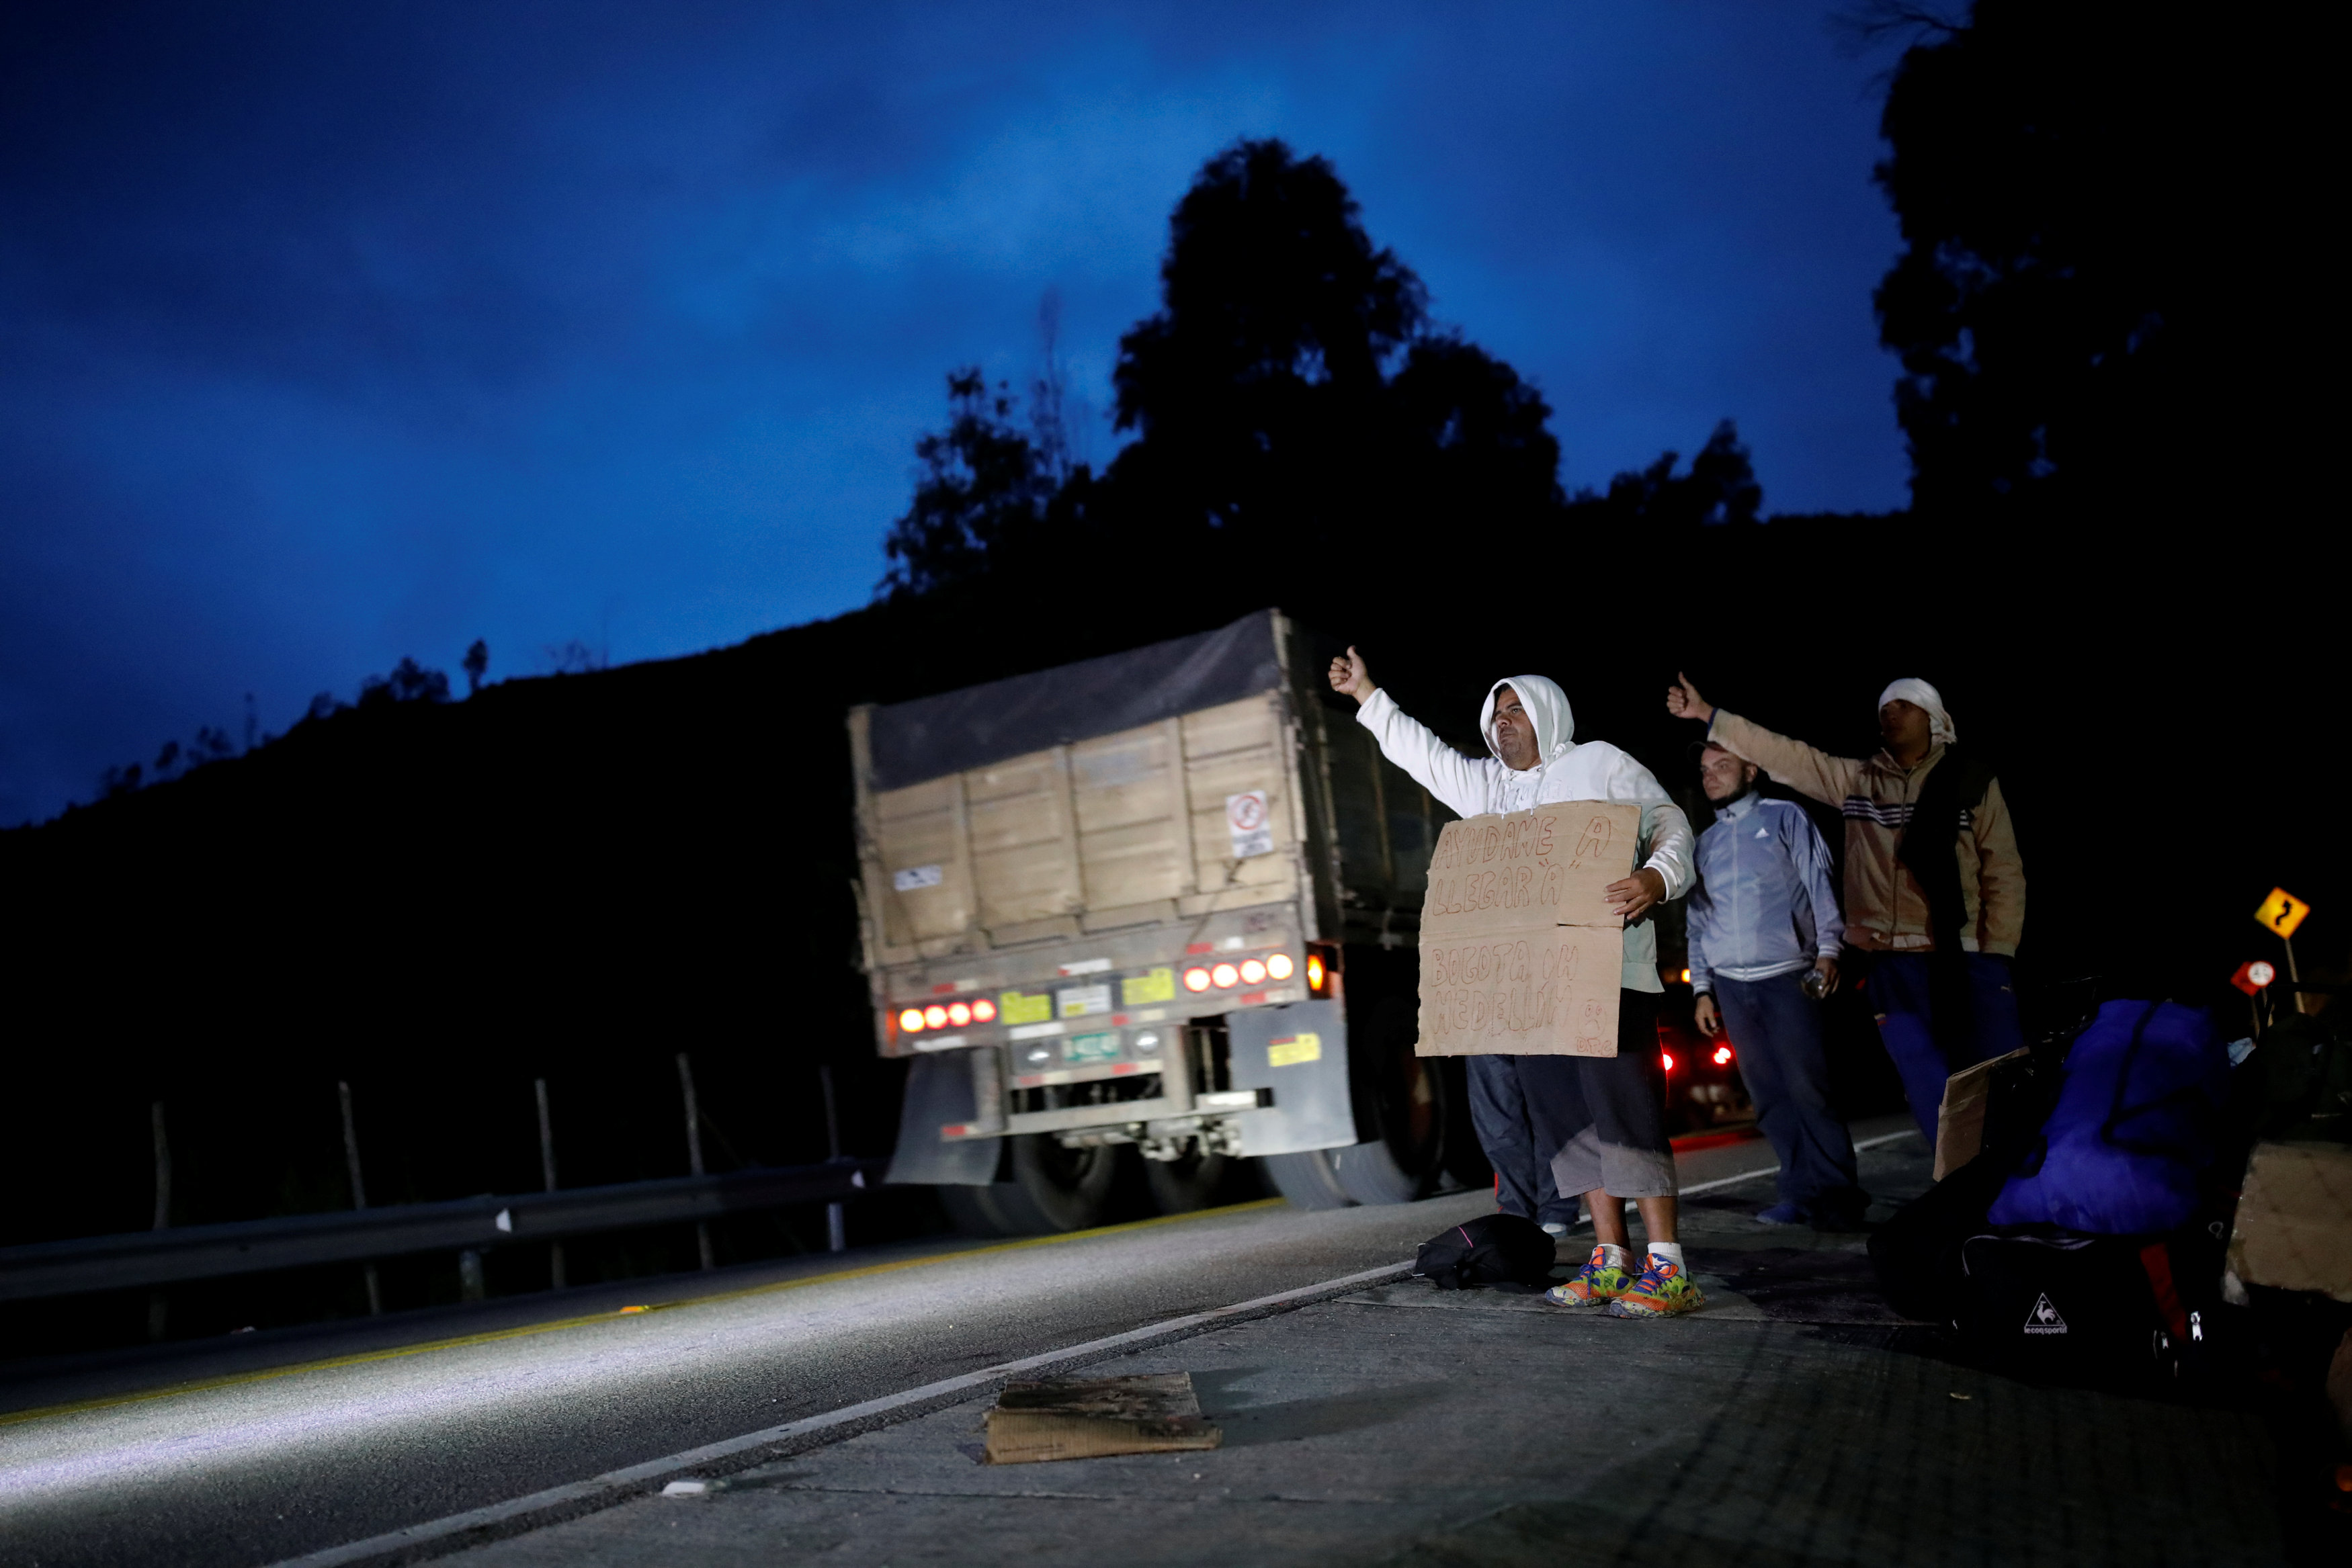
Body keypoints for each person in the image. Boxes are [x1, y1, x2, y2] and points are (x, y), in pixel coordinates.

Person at [1330, 647, 1704, 1319]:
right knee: (1569, 1126)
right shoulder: (1489, 791)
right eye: (1494, 715)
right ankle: (1609, 1260)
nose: (1501, 725)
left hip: (1607, 977)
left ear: (1545, 714)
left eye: (1514, 712)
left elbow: (1668, 822)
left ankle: (1668, 1265)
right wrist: (1366, 696)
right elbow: (1425, 756)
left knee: (1626, 1117)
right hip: (1532, 991)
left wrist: (1656, 878)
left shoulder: (1600, 765)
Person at [1666, 673, 2025, 1149]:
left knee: (1997, 1072)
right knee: (1923, 1080)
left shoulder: (1972, 780)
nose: (1891, 713)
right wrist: (1711, 715)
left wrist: (1996, 949)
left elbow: (2003, 870)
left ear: (1935, 718)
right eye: (1885, 708)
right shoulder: (1858, 781)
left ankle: (2022, 1173)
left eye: (1905, 705)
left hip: (1963, 953)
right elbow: (1785, 754)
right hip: (1891, 960)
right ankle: (1962, 1184)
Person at [1687, 742, 1867, 1227]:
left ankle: (1838, 1196)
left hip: (1788, 974)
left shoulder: (1785, 817)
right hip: (1730, 983)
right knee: (1767, 1095)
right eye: (1705, 770)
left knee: (1810, 1087)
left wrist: (1829, 950)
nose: (1711, 777)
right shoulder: (1705, 844)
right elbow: (1698, 922)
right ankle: (1799, 1193)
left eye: (1722, 766)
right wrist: (1702, 987)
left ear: (1751, 769)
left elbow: (1818, 882)